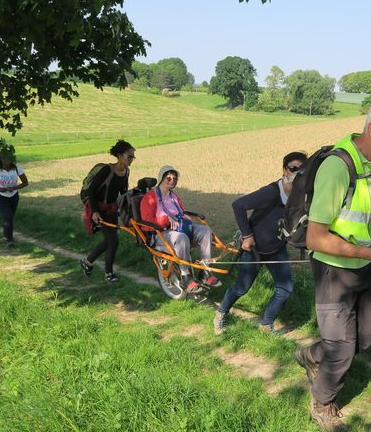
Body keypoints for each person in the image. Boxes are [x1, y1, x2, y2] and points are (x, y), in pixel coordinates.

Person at [293, 95, 371, 432]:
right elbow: (315, 238)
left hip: (365, 265)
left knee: (365, 338)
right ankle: (322, 403)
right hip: (334, 271)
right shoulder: (338, 166)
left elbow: (360, 222)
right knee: (343, 349)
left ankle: (313, 355)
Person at [213, 151, 308, 335]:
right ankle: (221, 313)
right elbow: (238, 205)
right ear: (284, 170)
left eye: (301, 170)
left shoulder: (300, 197)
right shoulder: (271, 192)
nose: (297, 173)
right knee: (241, 288)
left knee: (285, 289)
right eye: (293, 168)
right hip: (254, 250)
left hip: (276, 249)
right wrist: (247, 236)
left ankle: (266, 324)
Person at [140, 165, 221, 294]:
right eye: (168, 178)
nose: (172, 181)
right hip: (160, 233)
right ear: (161, 178)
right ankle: (185, 276)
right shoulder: (149, 198)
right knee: (181, 238)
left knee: (205, 231)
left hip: (180, 228)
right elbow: (146, 222)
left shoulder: (174, 196)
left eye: (174, 178)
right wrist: (166, 220)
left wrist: (184, 216)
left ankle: (205, 272)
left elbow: (180, 212)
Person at [79, 140, 135, 282]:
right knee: (113, 241)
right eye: (130, 156)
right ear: (120, 156)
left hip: (111, 209)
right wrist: (95, 212)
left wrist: (127, 212)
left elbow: (123, 194)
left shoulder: (126, 171)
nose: (132, 159)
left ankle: (87, 262)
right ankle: (109, 274)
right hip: (99, 209)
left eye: (133, 157)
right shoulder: (107, 170)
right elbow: (91, 190)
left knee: (109, 240)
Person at [0, 151, 29, 246]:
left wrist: (13, 188)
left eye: (8, 158)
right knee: (8, 216)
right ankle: (10, 240)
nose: (5, 160)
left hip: (13, 196)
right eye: (2, 158)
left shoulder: (17, 169)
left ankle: (6, 236)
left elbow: (25, 182)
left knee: (9, 217)